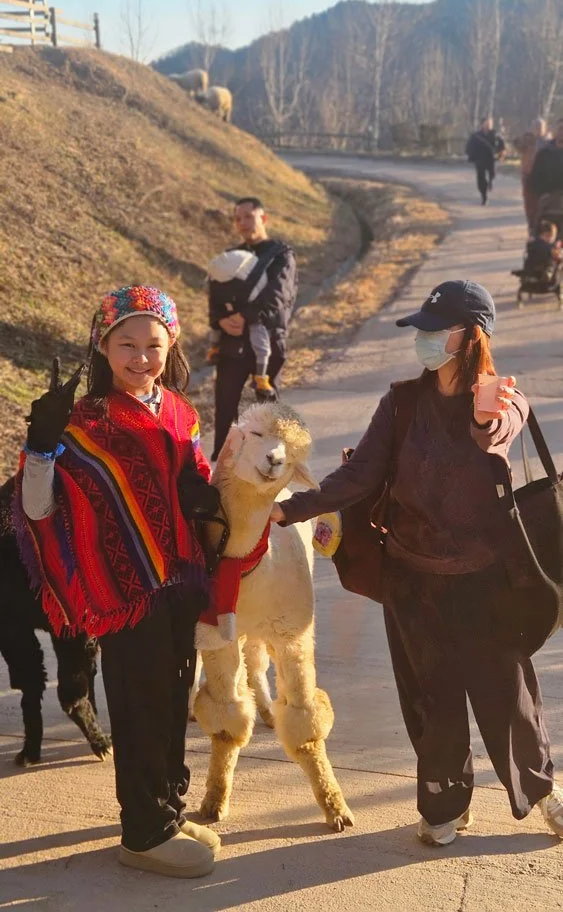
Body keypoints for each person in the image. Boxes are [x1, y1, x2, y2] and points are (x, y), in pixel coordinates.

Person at [270, 280, 563, 847]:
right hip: (413, 580)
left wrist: (485, 420)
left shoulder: (505, 398)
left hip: (486, 583)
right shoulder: (401, 401)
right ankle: (444, 804)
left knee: (508, 698)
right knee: (432, 699)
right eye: (422, 330)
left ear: (471, 335)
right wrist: (290, 510)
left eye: (436, 330)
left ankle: (543, 794)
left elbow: (497, 436)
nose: (425, 340)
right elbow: (360, 476)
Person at [16, 286, 221, 878]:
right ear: (102, 346)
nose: (140, 357)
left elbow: (197, 476)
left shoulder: (180, 410)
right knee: (139, 705)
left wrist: (203, 494)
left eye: (152, 345)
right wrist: (40, 446)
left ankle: (169, 808)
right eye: (126, 344)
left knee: (173, 700)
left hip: (180, 583)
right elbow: (36, 511)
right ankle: (143, 833)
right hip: (123, 594)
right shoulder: (82, 424)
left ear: (171, 344)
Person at [209, 196, 297, 460]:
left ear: (263, 218)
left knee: (266, 407)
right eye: (238, 218)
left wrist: (244, 317)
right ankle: (222, 465)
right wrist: (219, 321)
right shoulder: (232, 258)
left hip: (267, 342)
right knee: (225, 405)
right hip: (231, 342)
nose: (243, 223)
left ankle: (270, 463)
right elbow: (215, 293)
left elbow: (278, 295)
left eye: (249, 216)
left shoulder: (281, 255)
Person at [207, 248, 276, 400]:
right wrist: (219, 320)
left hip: (254, 317)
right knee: (216, 329)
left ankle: (261, 377)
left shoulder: (252, 276)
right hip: (228, 316)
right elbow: (214, 305)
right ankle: (214, 349)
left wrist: (246, 315)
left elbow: (264, 302)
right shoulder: (216, 279)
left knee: (261, 344)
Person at [519, 118, 552, 232]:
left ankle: (542, 228)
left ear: (545, 128)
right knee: (530, 205)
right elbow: (518, 146)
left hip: (544, 178)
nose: (538, 130)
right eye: (536, 127)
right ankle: (532, 225)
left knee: (543, 205)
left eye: (540, 127)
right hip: (528, 176)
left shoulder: (549, 143)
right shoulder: (528, 141)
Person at [465, 116, 506, 205]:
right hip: (480, 159)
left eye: (490, 123)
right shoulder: (476, 136)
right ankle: (484, 197)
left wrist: (501, 153)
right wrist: (471, 155)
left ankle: (490, 181)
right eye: (487, 123)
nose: (489, 125)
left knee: (492, 174)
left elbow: (502, 145)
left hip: (491, 159)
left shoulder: (495, 135)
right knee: (481, 178)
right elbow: (469, 146)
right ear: (482, 124)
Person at [529, 118, 563, 201]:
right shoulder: (544, 153)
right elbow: (535, 178)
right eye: (560, 129)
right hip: (549, 201)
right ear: (555, 131)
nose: (562, 132)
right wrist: (542, 194)